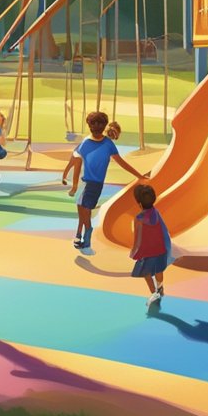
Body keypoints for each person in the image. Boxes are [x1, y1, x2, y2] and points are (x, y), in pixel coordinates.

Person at [71, 112, 146, 249]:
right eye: (93, 124)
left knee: (85, 209)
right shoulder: (86, 143)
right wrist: (74, 183)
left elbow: (121, 162)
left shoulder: (108, 144)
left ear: (104, 126)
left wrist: (139, 175)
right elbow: (76, 161)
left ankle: (86, 235)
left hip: (95, 184)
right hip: (85, 182)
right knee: (81, 208)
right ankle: (79, 233)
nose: (96, 127)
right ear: (89, 126)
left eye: (99, 124)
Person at [130, 183, 171, 309]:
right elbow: (164, 230)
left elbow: (138, 238)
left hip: (147, 252)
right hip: (160, 250)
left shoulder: (139, 219)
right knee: (159, 270)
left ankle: (154, 292)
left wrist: (134, 252)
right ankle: (160, 287)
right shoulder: (156, 213)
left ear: (139, 204)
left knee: (146, 273)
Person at [63, 119, 120, 195]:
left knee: (74, 165)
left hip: (83, 155)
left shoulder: (105, 142)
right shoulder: (102, 140)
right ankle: (70, 183)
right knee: (75, 165)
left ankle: (70, 183)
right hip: (81, 153)